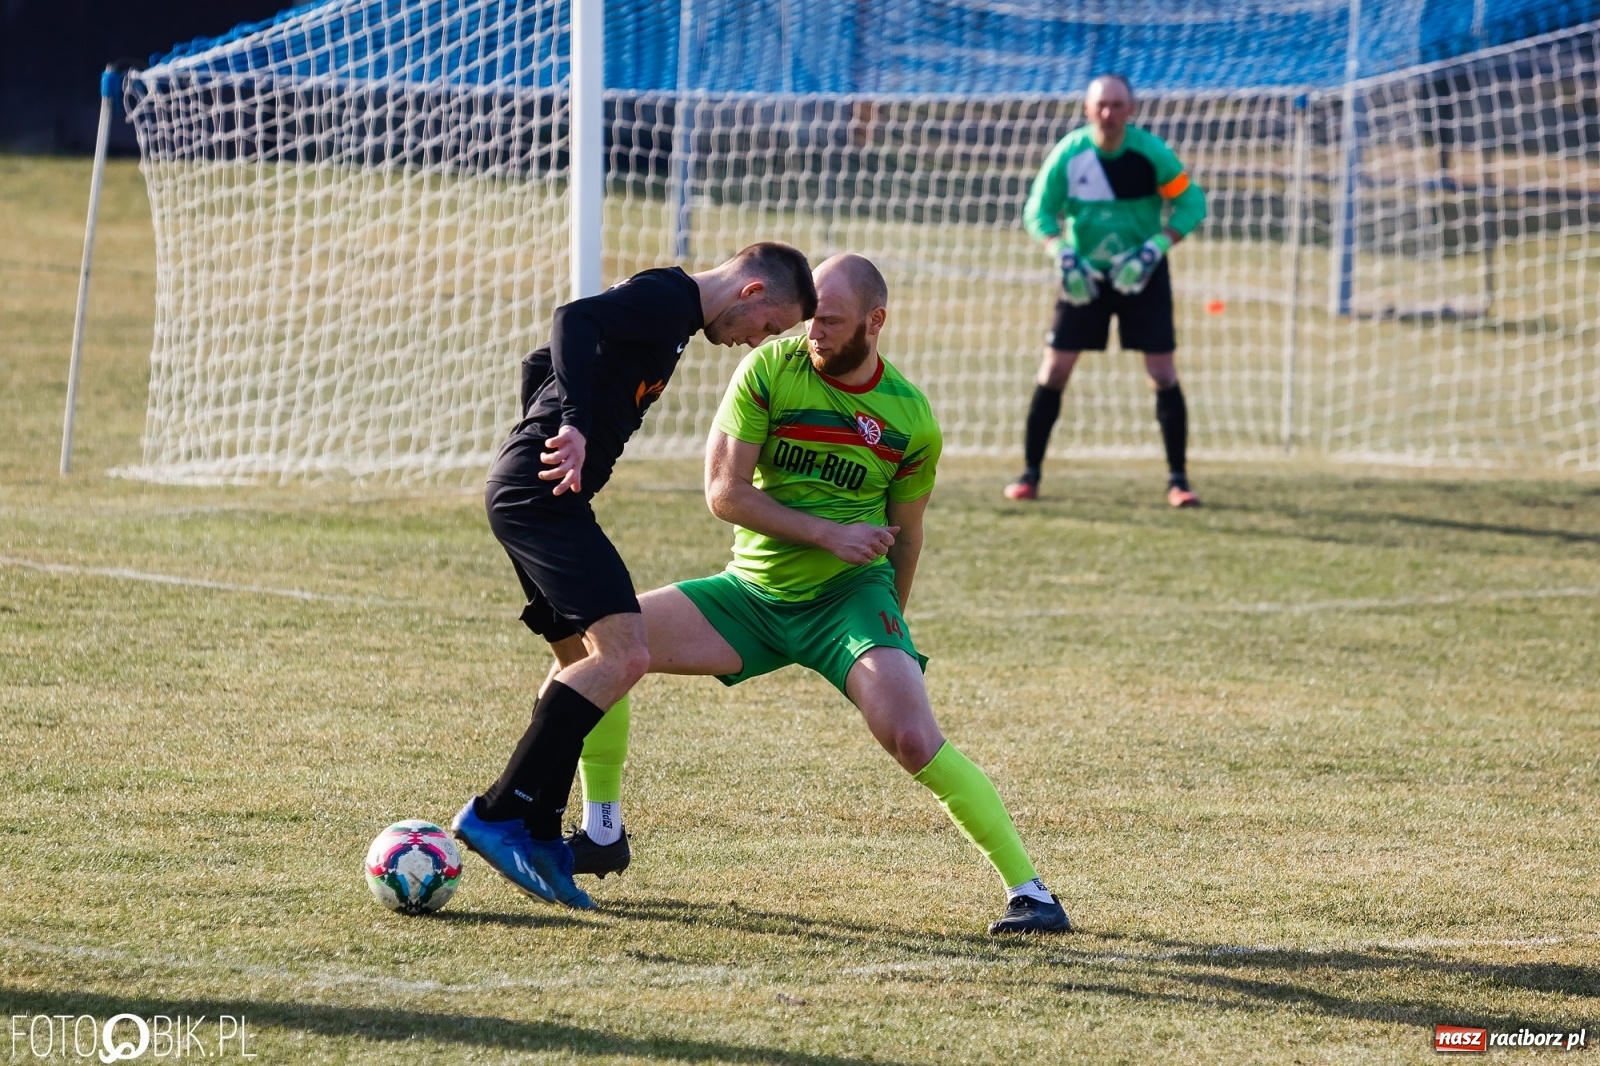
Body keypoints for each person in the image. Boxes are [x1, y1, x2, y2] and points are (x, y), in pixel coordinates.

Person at [566, 253, 1071, 935]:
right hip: (749, 595)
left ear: (875, 322)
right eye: (810, 321)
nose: (813, 335)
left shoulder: (911, 420)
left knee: (913, 737)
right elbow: (724, 494)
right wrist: (828, 533)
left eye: (830, 322)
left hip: (849, 603)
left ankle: (1032, 893)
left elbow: (908, 536)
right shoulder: (771, 369)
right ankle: (601, 830)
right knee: (600, 650)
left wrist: (892, 624)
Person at [451, 243, 817, 910]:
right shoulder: (669, 299)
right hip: (540, 502)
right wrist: (571, 427)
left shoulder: (674, 323)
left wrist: (546, 426)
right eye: (767, 326)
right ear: (753, 290)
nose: (755, 343)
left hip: (536, 493)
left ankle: (535, 831)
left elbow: (542, 362)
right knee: (628, 653)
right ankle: (500, 813)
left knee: (582, 661)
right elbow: (571, 321)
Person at [1005, 73, 1208, 507]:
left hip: (1142, 275)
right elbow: (1037, 210)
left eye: (1117, 105)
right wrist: (1060, 251)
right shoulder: (1071, 154)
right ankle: (1030, 475)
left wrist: (1157, 247)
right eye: (1101, 105)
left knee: (1162, 374)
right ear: (1087, 109)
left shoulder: (1152, 155)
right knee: (1055, 371)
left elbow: (1191, 202)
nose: (1108, 113)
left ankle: (1179, 481)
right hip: (1084, 278)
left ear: (1130, 110)